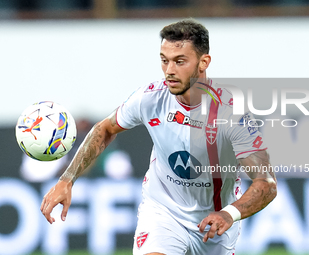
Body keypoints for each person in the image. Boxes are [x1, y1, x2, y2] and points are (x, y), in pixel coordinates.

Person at [41, 19, 277, 255]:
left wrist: (229, 213)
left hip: (214, 225)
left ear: (204, 62)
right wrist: (66, 180)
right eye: (164, 61)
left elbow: (266, 183)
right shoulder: (150, 98)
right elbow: (104, 129)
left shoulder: (232, 114)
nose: (170, 70)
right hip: (163, 213)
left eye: (180, 61)